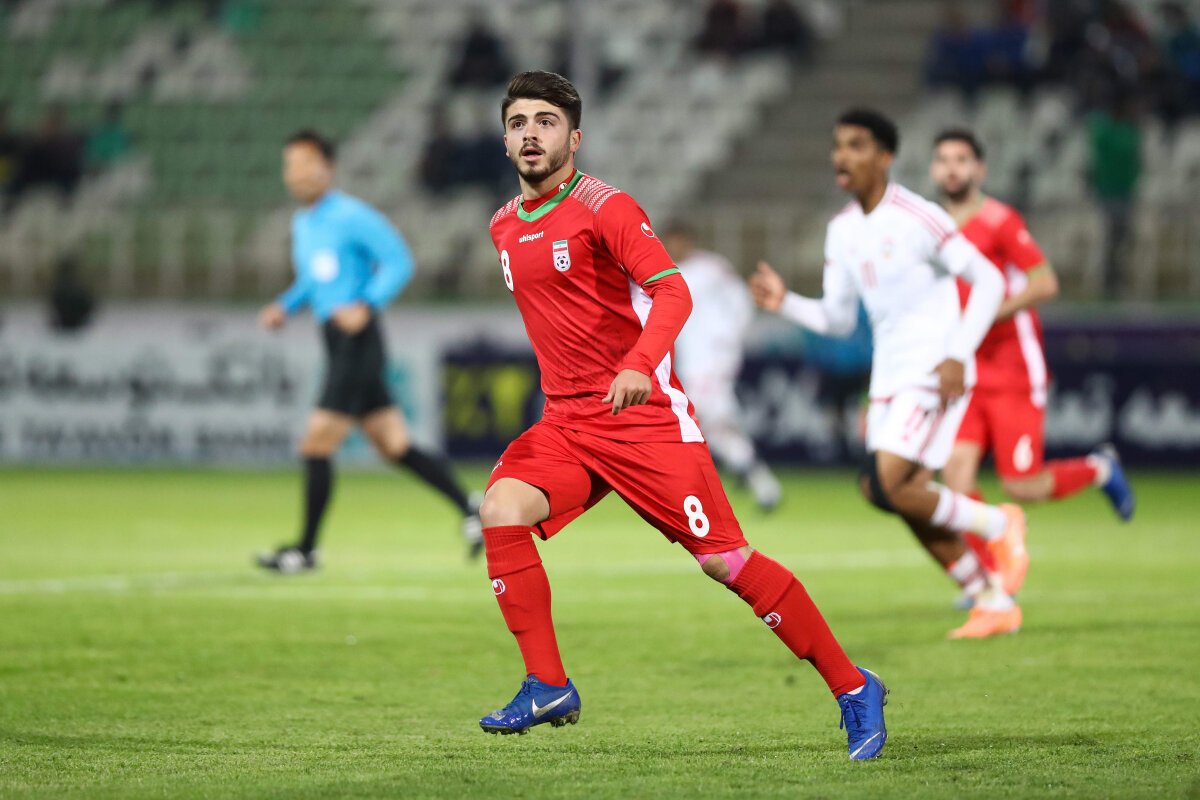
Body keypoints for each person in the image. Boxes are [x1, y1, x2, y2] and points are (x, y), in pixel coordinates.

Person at [477, 71, 888, 759]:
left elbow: (673, 292)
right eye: (518, 122)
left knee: (725, 562)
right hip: (568, 424)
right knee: (500, 509)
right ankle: (547, 683)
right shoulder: (501, 225)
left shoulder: (606, 208)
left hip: (643, 420)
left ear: (574, 139)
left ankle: (853, 686)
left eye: (546, 122)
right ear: (504, 138)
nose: (531, 134)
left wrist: (639, 363)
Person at [751, 109, 1025, 640]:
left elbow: (989, 280)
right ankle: (990, 598)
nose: (842, 156)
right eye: (838, 145)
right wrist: (786, 303)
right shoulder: (842, 231)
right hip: (888, 379)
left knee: (891, 482)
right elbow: (837, 318)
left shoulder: (919, 216)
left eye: (856, 145)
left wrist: (958, 353)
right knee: (885, 491)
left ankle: (1000, 524)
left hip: (933, 369)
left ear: (885, 157)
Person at [256, 129, 481, 573]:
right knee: (394, 444)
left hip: (358, 342)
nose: (296, 173)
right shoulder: (303, 222)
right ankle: (472, 508)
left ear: (328, 168)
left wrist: (367, 303)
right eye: (290, 165)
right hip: (335, 339)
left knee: (316, 442)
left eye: (305, 163)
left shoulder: (352, 216)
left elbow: (399, 260)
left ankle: (305, 550)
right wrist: (286, 306)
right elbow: (314, 280)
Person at [930, 129, 1135, 599]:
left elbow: (1045, 283)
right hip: (966, 368)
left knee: (1022, 485)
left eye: (961, 159)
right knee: (955, 477)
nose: (952, 168)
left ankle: (1100, 468)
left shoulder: (999, 220)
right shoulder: (933, 226)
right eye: (943, 159)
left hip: (1012, 367)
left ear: (979, 169)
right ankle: (990, 579)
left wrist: (985, 315)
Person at [661, 221, 782, 511]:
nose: (673, 246)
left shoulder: (712, 268)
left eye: (677, 240)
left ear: (688, 240)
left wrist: (730, 337)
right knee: (712, 425)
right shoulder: (666, 271)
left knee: (697, 415)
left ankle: (695, 484)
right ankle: (756, 477)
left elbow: (741, 300)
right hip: (691, 362)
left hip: (714, 358)